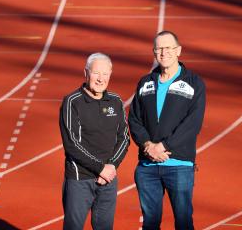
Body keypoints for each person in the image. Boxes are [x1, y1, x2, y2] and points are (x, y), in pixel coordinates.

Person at [128, 31, 206, 230]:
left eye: (168, 48)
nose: (164, 53)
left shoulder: (194, 83)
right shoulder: (145, 83)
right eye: (159, 49)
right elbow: (134, 119)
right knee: (150, 223)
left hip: (179, 165)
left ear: (178, 51)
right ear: (154, 52)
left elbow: (192, 124)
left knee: (183, 223)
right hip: (147, 166)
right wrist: (148, 146)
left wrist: (164, 146)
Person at [59, 52, 130, 230]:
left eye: (105, 74)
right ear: (86, 73)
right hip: (79, 179)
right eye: (96, 73)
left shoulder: (115, 101)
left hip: (108, 180)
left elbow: (124, 138)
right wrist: (101, 169)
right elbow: (72, 144)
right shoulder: (72, 102)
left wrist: (112, 166)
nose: (101, 79)